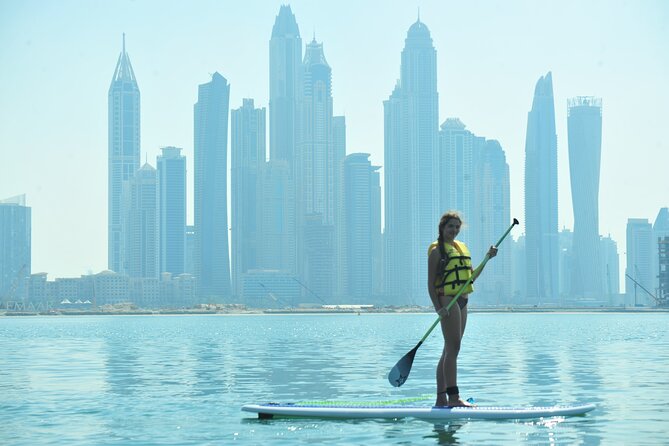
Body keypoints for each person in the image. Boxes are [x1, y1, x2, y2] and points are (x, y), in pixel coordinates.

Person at [428, 211, 497, 407]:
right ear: (442, 227)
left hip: (463, 300)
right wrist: (438, 308)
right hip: (447, 301)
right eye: (451, 226)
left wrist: (487, 258)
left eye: (457, 227)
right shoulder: (436, 251)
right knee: (453, 349)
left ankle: (441, 398)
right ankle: (453, 398)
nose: (454, 230)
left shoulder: (460, 248)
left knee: (448, 350)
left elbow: (471, 277)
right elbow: (431, 284)